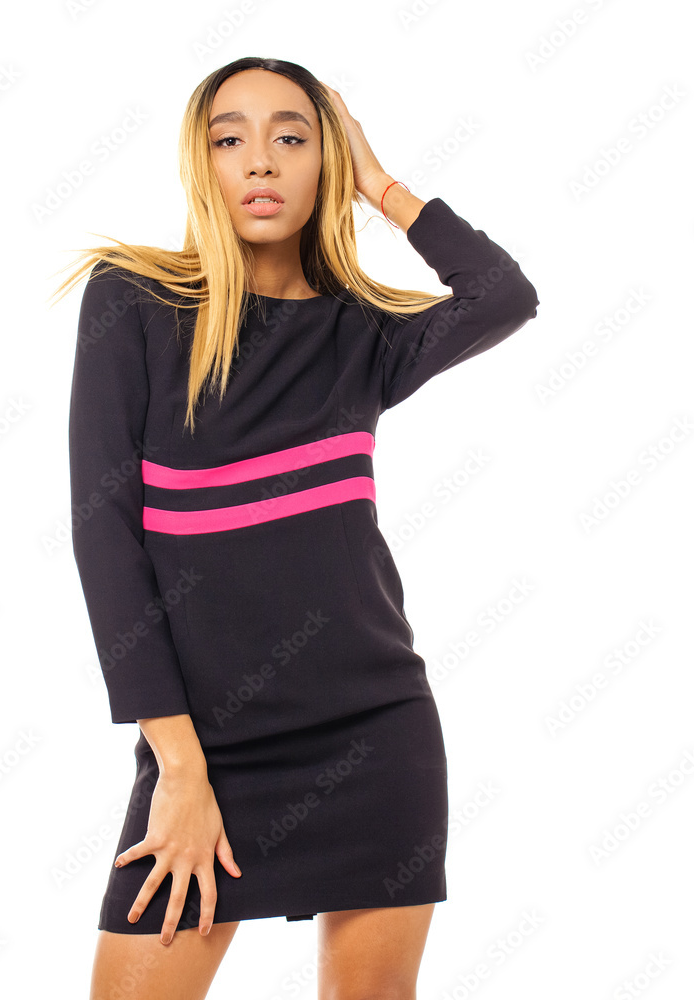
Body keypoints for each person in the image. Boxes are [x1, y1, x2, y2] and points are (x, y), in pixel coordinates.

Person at [55, 56, 539, 1000]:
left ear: (327, 161)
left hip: (375, 733)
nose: (260, 161)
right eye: (228, 138)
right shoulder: (135, 300)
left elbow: (502, 296)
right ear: (200, 161)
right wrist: (179, 769)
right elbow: (103, 537)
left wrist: (381, 184)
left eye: (291, 136)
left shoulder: (363, 333)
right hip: (205, 749)